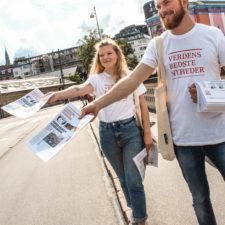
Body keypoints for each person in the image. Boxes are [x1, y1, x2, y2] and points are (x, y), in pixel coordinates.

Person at [79, 0, 225, 224]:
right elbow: (132, 80)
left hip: (220, 134)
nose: (162, 11)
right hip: (184, 140)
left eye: (166, 3)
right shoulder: (158, 44)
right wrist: (97, 104)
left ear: (184, 2)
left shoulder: (213, 35)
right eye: (157, 7)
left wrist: (210, 92)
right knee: (200, 199)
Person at [47, 38, 153, 225]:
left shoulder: (130, 75)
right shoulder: (96, 79)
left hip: (130, 132)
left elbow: (143, 106)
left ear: (117, 54)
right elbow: (79, 88)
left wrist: (147, 135)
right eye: (101, 55)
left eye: (109, 53)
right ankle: (134, 211)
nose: (105, 57)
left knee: (133, 179)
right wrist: (57, 95)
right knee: (122, 178)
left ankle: (139, 219)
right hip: (107, 133)